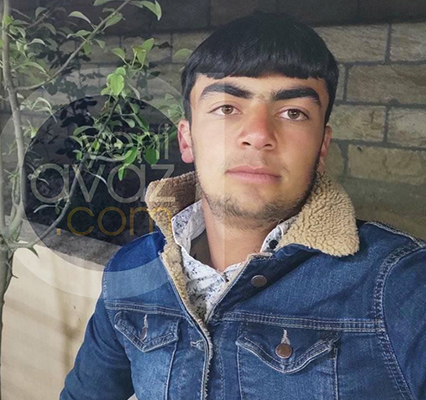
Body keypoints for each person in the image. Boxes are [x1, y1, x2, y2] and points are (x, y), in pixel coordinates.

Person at [60, 11, 426, 400]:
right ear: (187, 139)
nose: (258, 134)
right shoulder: (132, 271)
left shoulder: (398, 284)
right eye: (227, 108)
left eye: (293, 113)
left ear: (321, 147)